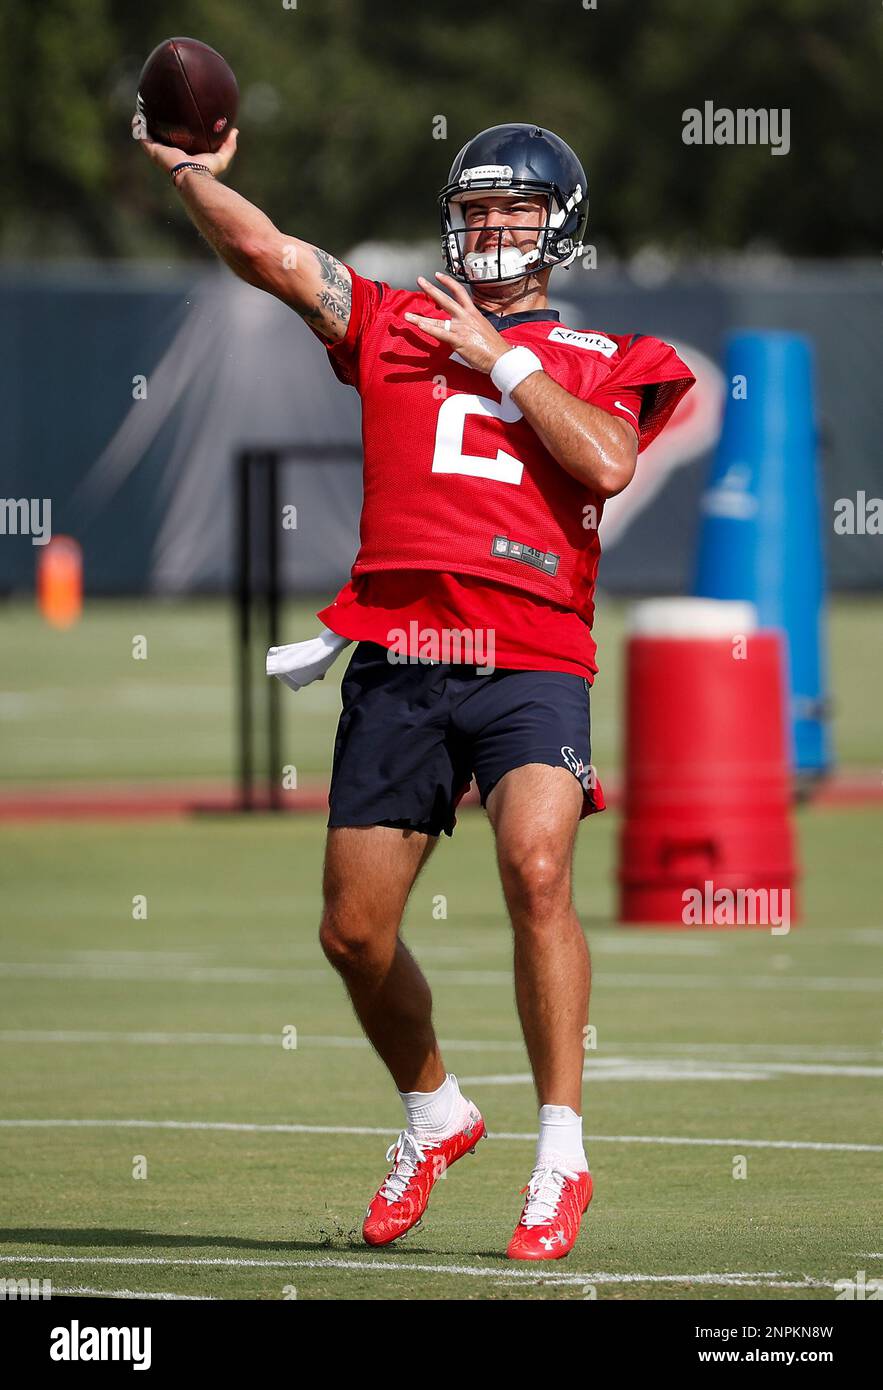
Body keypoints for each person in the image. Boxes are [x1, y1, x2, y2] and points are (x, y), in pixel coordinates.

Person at [137, 119, 695, 1260]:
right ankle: (436, 1110)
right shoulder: (392, 321)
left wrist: (504, 358)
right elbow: (275, 257)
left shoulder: (609, 356)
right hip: (400, 656)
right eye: (476, 208)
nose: (491, 226)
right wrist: (192, 171)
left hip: (532, 652)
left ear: (559, 227)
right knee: (353, 933)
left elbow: (605, 462)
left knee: (537, 863)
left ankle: (559, 1155)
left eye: (514, 209)